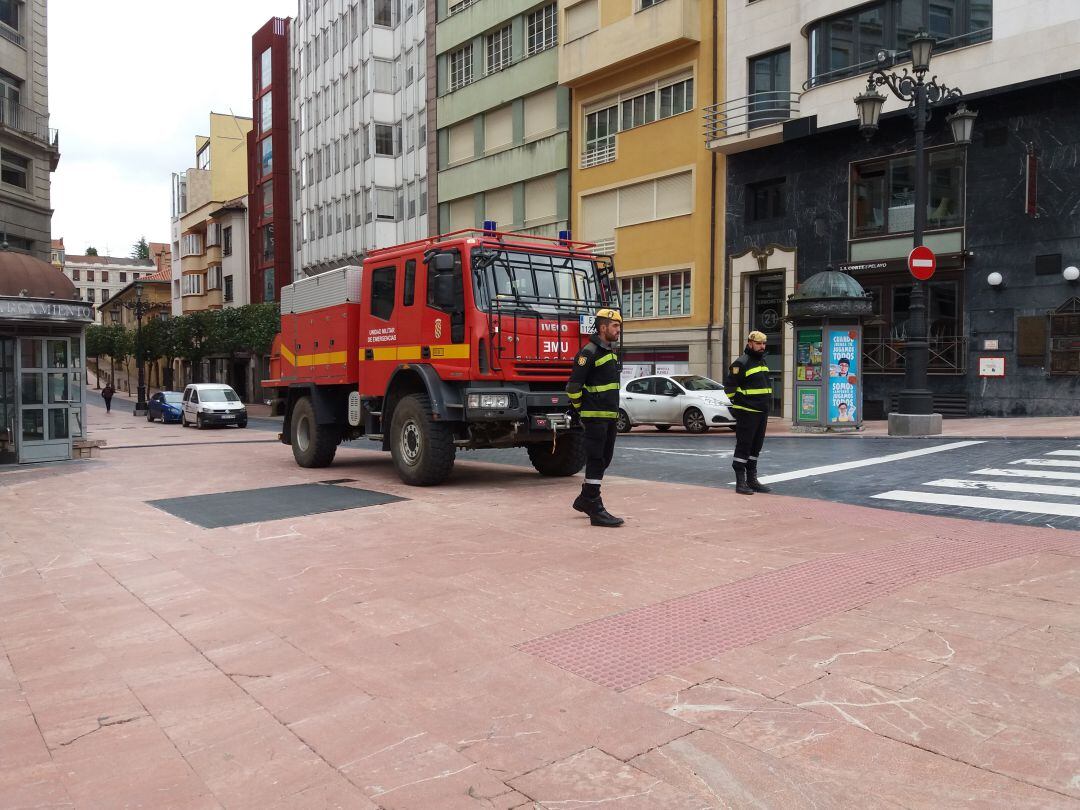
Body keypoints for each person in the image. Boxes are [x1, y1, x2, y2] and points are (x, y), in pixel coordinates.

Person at [566, 308, 624, 527]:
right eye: (615, 326)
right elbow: (573, 387)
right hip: (595, 417)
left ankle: (584, 498)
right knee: (596, 459)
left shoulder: (609, 351)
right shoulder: (588, 352)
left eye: (619, 326)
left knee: (604, 459)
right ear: (603, 327)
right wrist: (583, 411)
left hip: (609, 416)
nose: (618, 330)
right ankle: (593, 504)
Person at [724, 331, 773, 495]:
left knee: (756, 447)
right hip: (747, 412)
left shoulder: (762, 361)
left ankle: (752, 480)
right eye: (759, 343)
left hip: (761, 412)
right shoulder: (741, 363)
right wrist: (741, 405)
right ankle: (741, 482)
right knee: (744, 446)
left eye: (764, 343)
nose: (762, 346)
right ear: (750, 343)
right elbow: (730, 389)